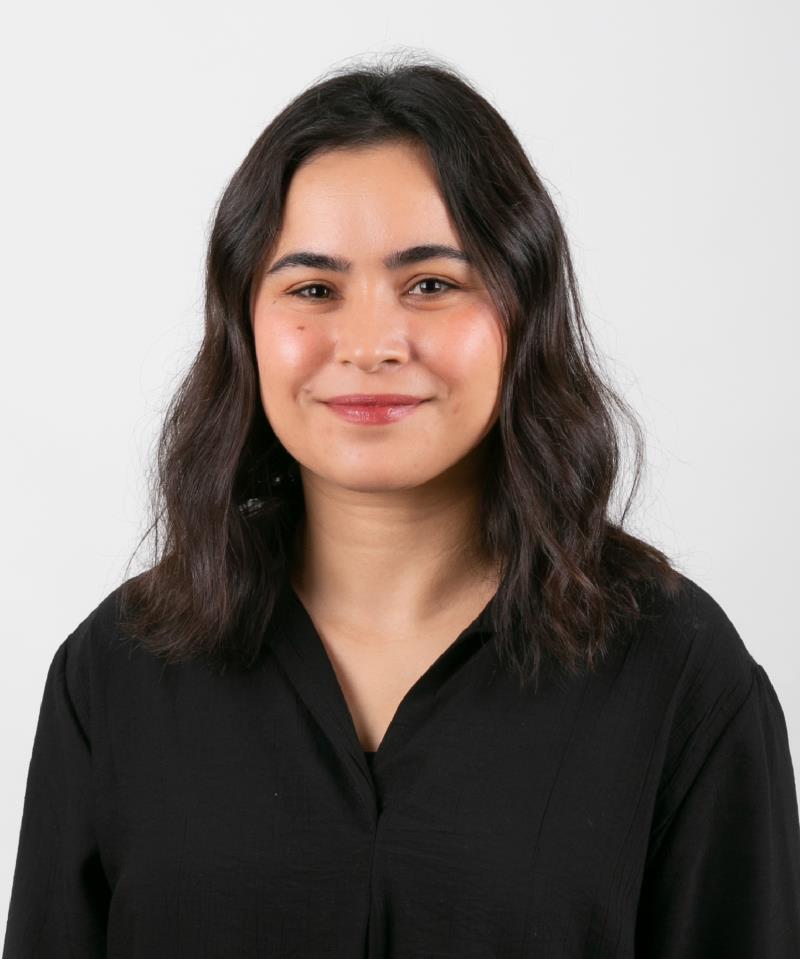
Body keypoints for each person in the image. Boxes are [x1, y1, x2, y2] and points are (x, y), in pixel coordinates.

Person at [4, 52, 800, 958]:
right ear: (243, 324)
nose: (371, 343)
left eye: (431, 284)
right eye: (313, 289)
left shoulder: (679, 677)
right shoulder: (115, 674)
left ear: (521, 308)